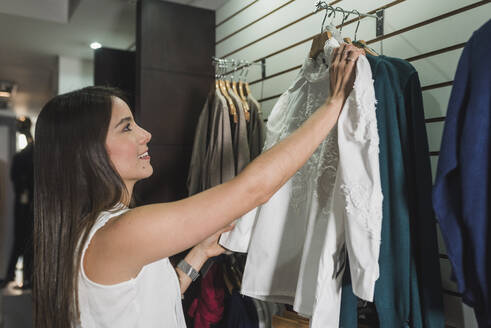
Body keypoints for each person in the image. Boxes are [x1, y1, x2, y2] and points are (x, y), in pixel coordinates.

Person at [33, 44, 363, 327]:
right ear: (87, 152)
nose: (145, 135)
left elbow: (146, 302)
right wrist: (332, 104)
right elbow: (253, 189)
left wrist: (199, 254)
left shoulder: (90, 231)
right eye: (126, 127)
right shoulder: (122, 231)